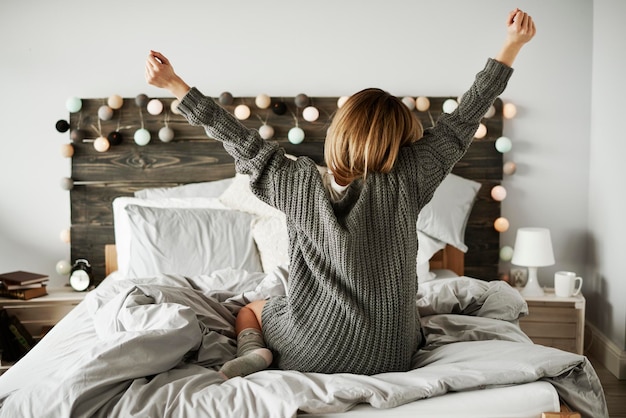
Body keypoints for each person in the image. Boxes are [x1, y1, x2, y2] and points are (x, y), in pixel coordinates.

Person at [145, 8, 536, 379]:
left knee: (252, 308)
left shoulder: (293, 182)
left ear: (339, 133)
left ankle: (253, 351)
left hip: (309, 348)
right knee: (409, 322)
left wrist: (175, 85)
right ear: (402, 145)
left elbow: (238, 139)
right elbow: (461, 121)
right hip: (392, 352)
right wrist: (511, 45)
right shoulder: (410, 179)